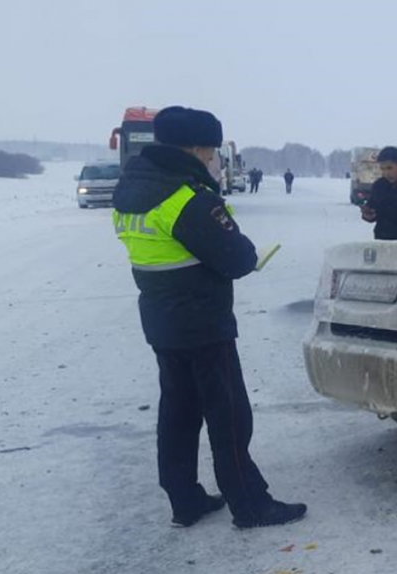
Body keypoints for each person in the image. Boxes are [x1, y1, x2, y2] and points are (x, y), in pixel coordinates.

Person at [111, 106, 307, 529]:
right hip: (202, 322)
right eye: (212, 150)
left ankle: (185, 500)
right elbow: (237, 258)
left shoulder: (131, 188)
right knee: (229, 414)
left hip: (161, 320)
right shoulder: (186, 198)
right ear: (198, 148)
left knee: (178, 412)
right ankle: (251, 505)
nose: (215, 158)